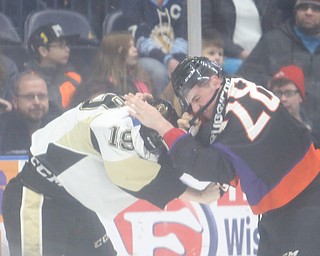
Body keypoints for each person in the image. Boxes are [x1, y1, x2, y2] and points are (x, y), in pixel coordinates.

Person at [124, 56, 320, 256]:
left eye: (197, 99)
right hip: (285, 207)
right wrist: (162, 112)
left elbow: (210, 166)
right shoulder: (234, 89)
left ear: (214, 82)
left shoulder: (240, 118)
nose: (195, 109)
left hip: (305, 203)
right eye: (191, 103)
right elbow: (208, 137)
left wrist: (161, 124)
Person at [2, 91, 221, 256]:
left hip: (74, 201)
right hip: (36, 199)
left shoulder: (130, 111)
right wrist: (199, 196)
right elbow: (147, 179)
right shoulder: (119, 136)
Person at [237, 0, 320, 143]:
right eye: (303, 7)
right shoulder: (273, 40)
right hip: (278, 133)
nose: (308, 12)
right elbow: (246, 77)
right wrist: (274, 86)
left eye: (316, 8)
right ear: (295, 11)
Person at [120, 0, 188, 95]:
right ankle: (161, 106)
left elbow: (182, 35)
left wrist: (178, 61)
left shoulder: (178, 3)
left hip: (174, 57)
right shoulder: (134, 3)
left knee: (189, 67)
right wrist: (167, 60)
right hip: (143, 57)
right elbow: (140, 40)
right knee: (158, 73)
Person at [71, 31, 153, 107]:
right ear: (116, 51)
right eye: (129, 46)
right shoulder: (99, 85)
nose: (135, 50)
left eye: (134, 45)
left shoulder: (141, 77)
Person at [201, 0, 282, 74]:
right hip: (229, 56)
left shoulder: (263, 2)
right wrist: (239, 52)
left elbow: (274, 29)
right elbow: (205, 28)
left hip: (262, 58)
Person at [25, 23, 82, 117]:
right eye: (61, 45)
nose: (67, 49)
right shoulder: (27, 80)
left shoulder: (75, 77)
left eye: (67, 45)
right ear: (43, 51)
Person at [0, 71, 55, 155]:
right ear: (15, 101)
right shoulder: (2, 128)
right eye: (29, 97)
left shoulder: (59, 125)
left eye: (41, 96)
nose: (37, 102)